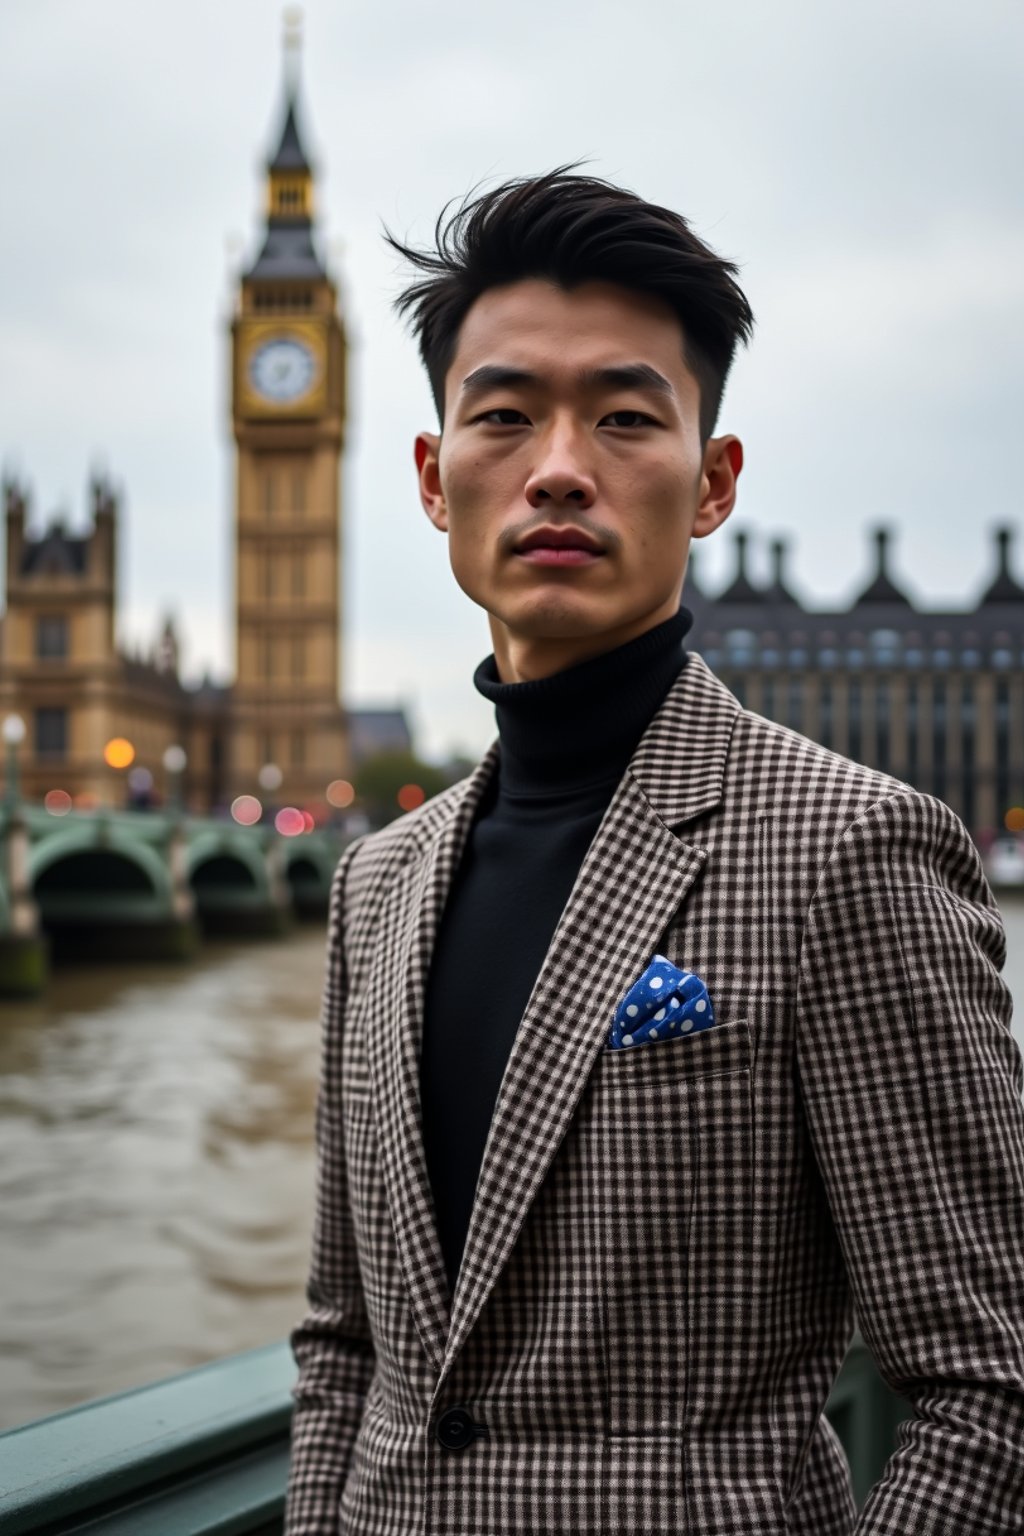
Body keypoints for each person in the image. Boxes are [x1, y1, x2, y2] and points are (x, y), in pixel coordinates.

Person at [283, 170, 1024, 1535]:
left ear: (713, 485)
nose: (559, 465)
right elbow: (344, 1348)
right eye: (503, 415)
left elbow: (989, 1388)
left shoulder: (851, 850)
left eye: (627, 417)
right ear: (436, 481)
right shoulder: (374, 884)